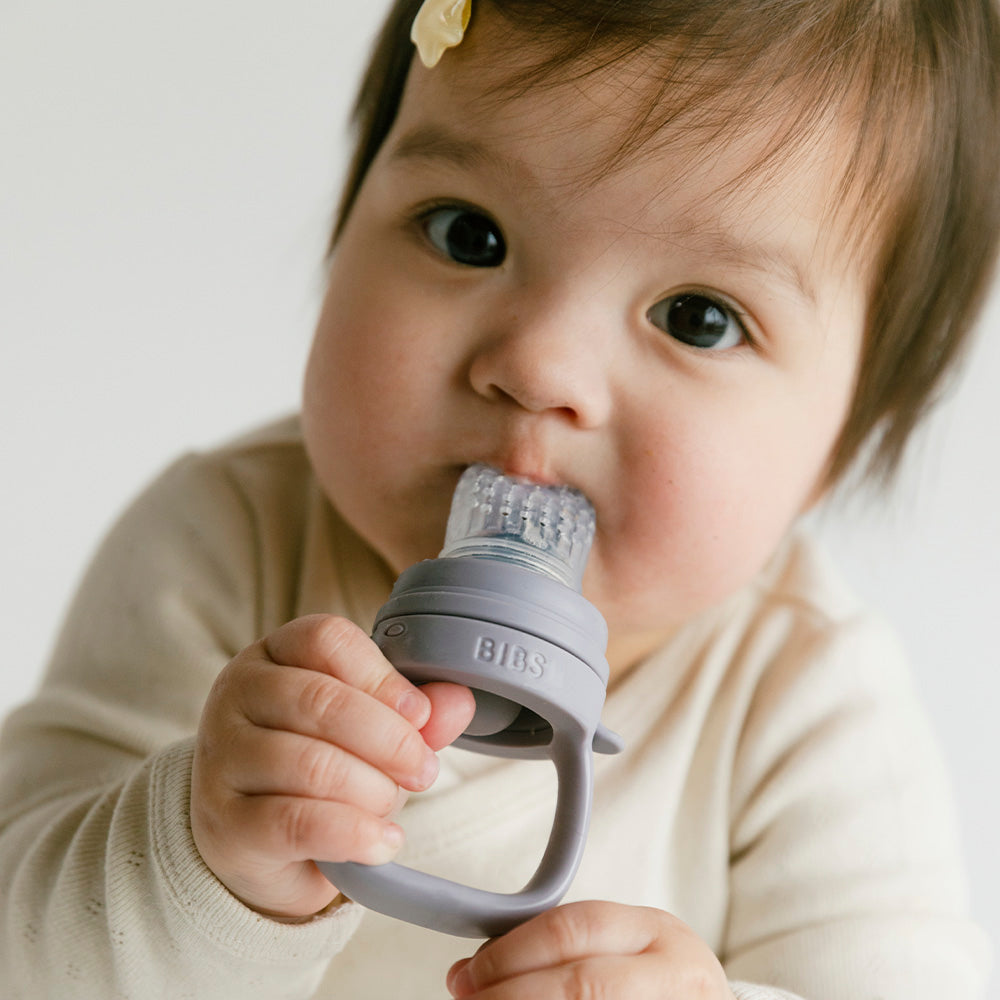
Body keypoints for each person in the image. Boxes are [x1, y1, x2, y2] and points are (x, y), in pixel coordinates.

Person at [1, 0, 998, 996]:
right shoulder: (226, 540)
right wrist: (196, 853)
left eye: (697, 318)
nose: (539, 365)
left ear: (836, 444)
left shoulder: (801, 698)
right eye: (467, 234)